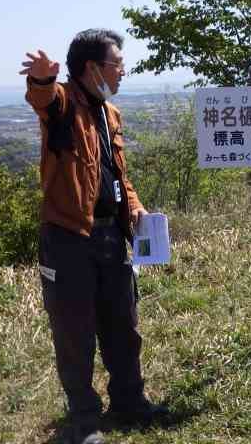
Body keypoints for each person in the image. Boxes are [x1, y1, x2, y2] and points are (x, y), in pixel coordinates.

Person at [21, 28, 166, 444]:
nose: (123, 72)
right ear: (92, 68)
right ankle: (84, 422)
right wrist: (43, 79)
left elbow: (118, 177)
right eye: (117, 64)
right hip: (68, 238)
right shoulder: (64, 102)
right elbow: (42, 100)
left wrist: (136, 212)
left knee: (123, 325)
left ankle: (129, 402)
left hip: (110, 237)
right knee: (74, 332)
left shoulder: (110, 113)